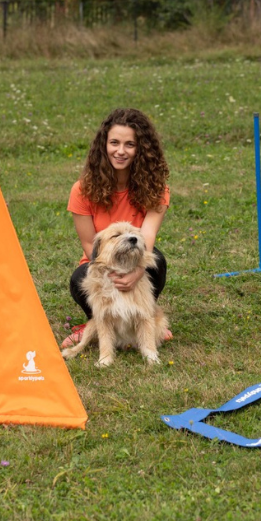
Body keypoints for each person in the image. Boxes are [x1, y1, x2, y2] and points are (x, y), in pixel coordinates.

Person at [61, 108, 171, 348]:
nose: (121, 151)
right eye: (114, 143)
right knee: (80, 276)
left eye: (130, 144)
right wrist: (113, 274)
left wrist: (137, 271)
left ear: (141, 150)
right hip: (103, 263)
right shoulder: (81, 190)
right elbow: (90, 244)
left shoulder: (156, 188)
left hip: (136, 258)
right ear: (104, 145)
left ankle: (146, 320)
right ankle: (96, 324)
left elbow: (148, 235)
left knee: (157, 262)